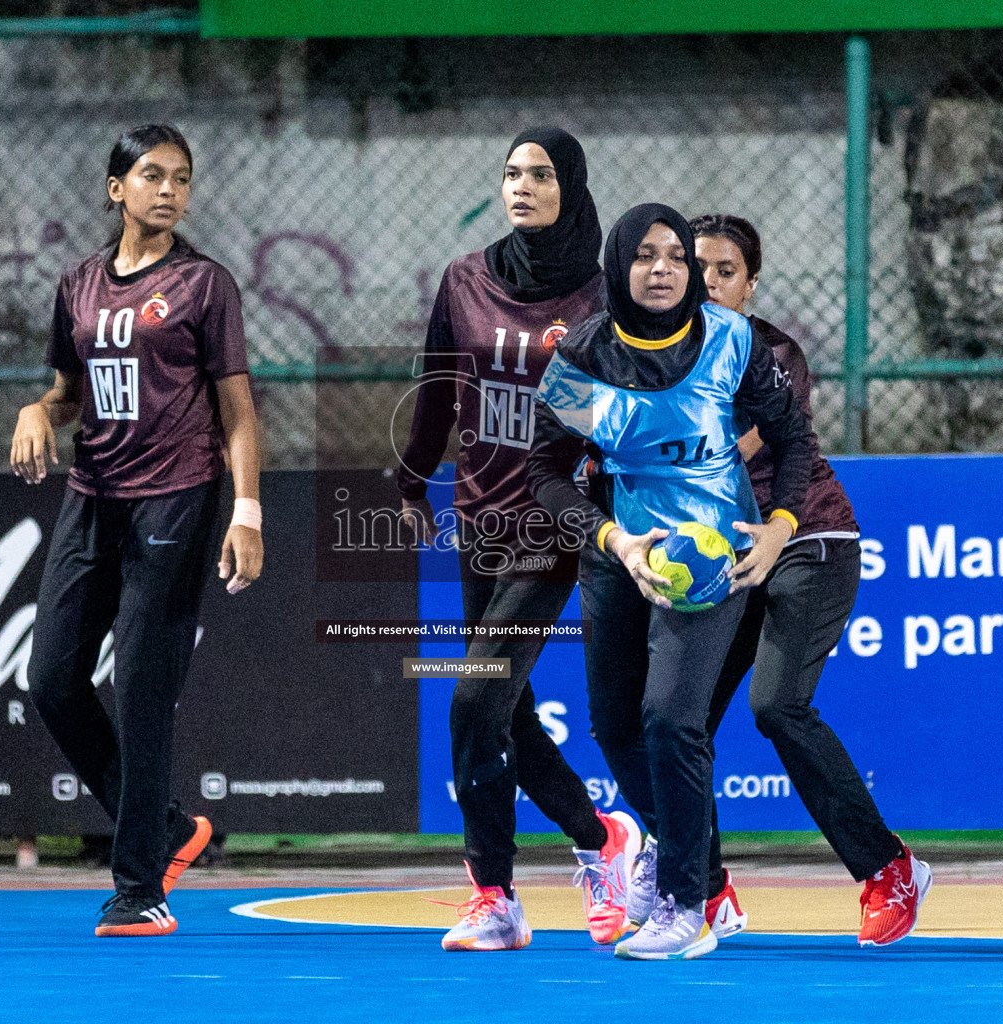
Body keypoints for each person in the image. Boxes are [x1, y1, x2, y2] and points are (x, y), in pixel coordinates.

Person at [527, 203, 815, 960]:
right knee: (614, 727)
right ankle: (707, 877)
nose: (663, 269)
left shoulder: (730, 342)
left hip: (716, 554)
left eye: (677, 257)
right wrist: (613, 540)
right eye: (645, 256)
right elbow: (546, 472)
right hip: (623, 548)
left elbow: (792, 438)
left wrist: (780, 526)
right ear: (617, 268)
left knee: (670, 719)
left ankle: (684, 905)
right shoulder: (584, 357)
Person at [10, 124, 263, 938]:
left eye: (182, 179)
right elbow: (63, 393)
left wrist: (246, 511)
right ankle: (164, 825)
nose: (169, 190)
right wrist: (36, 412)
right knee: (51, 679)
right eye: (151, 175)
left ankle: (139, 888)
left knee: (143, 691)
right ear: (116, 187)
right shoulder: (78, 285)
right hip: (93, 496)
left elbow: (238, 412)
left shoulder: (204, 285)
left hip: (177, 499)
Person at [396, 127, 640, 952]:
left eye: (539, 173)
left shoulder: (606, 297)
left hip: (557, 522)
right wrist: (406, 480)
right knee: (507, 715)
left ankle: (494, 892)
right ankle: (600, 840)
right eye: (510, 173)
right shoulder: (464, 280)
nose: (521, 186)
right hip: (478, 517)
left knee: (474, 697)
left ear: (570, 183)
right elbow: (435, 390)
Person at [681, 212, 931, 947]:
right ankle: (703, 889)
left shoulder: (771, 354)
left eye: (725, 272)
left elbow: (728, 447)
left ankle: (888, 869)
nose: (708, 283)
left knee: (777, 705)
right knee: (676, 720)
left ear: (750, 284)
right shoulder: (660, 358)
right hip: (727, 558)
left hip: (807, 541)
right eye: (696, 268)